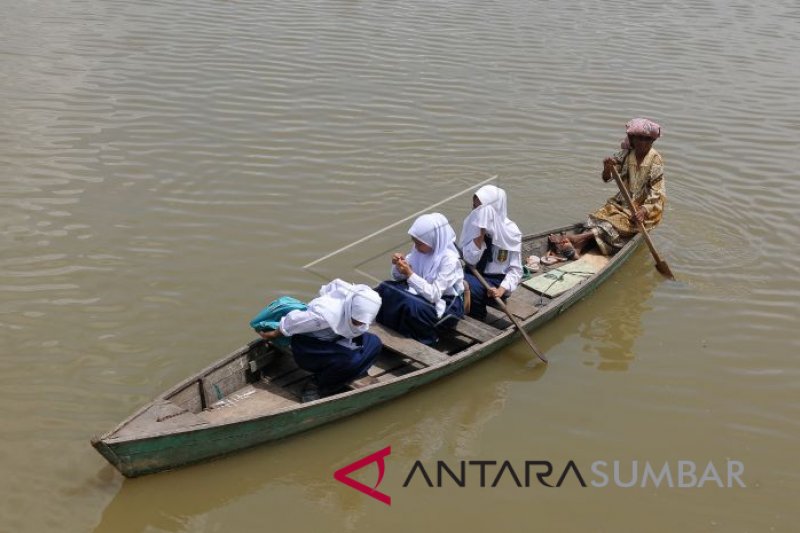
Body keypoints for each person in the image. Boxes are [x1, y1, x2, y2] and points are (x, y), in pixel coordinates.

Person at [555, 118, 666, 258]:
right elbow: (606, 178)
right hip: (624, 200)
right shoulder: (626, 154)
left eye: (648, 139)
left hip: (646, 207)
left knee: (615, 224)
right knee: (599, 217)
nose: (643, 143)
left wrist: (643, 210)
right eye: (640, 138)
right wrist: (607, 168)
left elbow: (657, 191)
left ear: (653, 141)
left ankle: (577, 239)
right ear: (633, 139)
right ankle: (580, 244)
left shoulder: (655, 159)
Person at [256, 279, 382, 402]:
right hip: (309, 346)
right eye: (356, 320)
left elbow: (359, 326)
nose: (359, 324)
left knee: (375, 343)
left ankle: (353, 370)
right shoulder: (324, 314)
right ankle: (317, 384)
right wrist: (273, 334)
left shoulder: (361, 304)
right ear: (350, 309)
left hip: (335, 338)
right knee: (349, 361)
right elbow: (294, 321)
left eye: (362, 322)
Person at [375, 213, 464, 345]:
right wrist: (398, 265)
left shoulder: (449, 260)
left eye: (419, 243)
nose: (416, 247)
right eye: (415, 242)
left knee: (413, 306)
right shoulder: (419, 252)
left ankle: (427, 338)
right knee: (385, 287)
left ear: (433, 240)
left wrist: (410, 274)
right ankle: (393, 327)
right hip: (421, 294)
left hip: (445, 303)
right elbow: (397, 277)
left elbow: (434, 295)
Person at [459, 185, 523, 320]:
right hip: (473, 272)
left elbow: (516, 270)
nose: (477, 212)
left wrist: (502, 289)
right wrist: (480, 234)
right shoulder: (472, 224)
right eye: (475, 207)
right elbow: (469, 260)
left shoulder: (510, 232)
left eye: (482, 209)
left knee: (467, 285)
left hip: (496, 281)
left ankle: (477, 319)